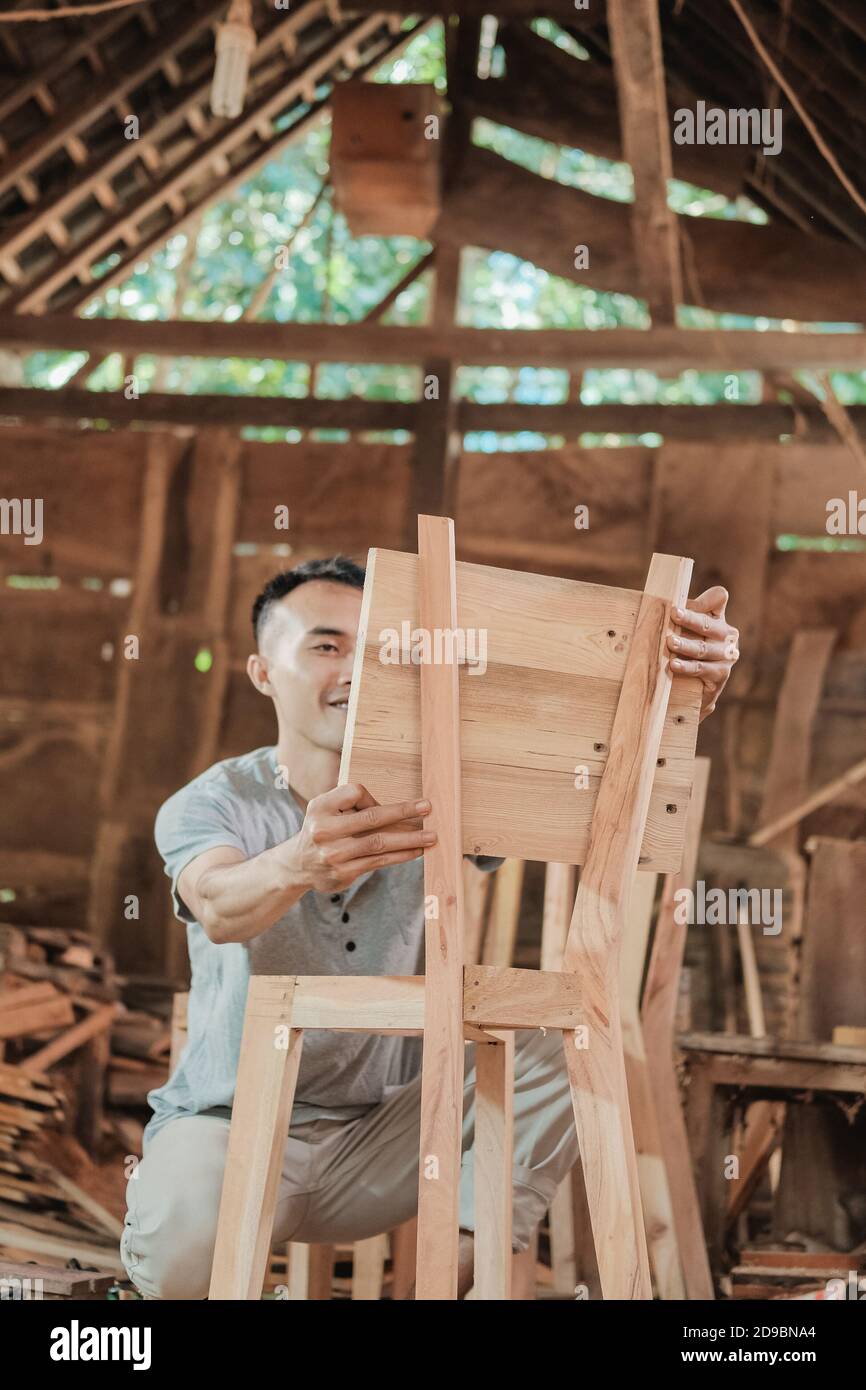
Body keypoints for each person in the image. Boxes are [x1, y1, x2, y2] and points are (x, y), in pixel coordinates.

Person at [119, 555, 739, 1299]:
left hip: (393, 1137)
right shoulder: (214, 801)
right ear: (261, 672)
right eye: (325, 646)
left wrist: (675, 691)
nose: (354, 667)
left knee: (567, 1032)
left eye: (374, 644)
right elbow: (218, 904)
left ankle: (455, 1285)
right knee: (178, 1257)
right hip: (234, 1130)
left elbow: (584, 762)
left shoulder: (441, 787)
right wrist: (298, 863)